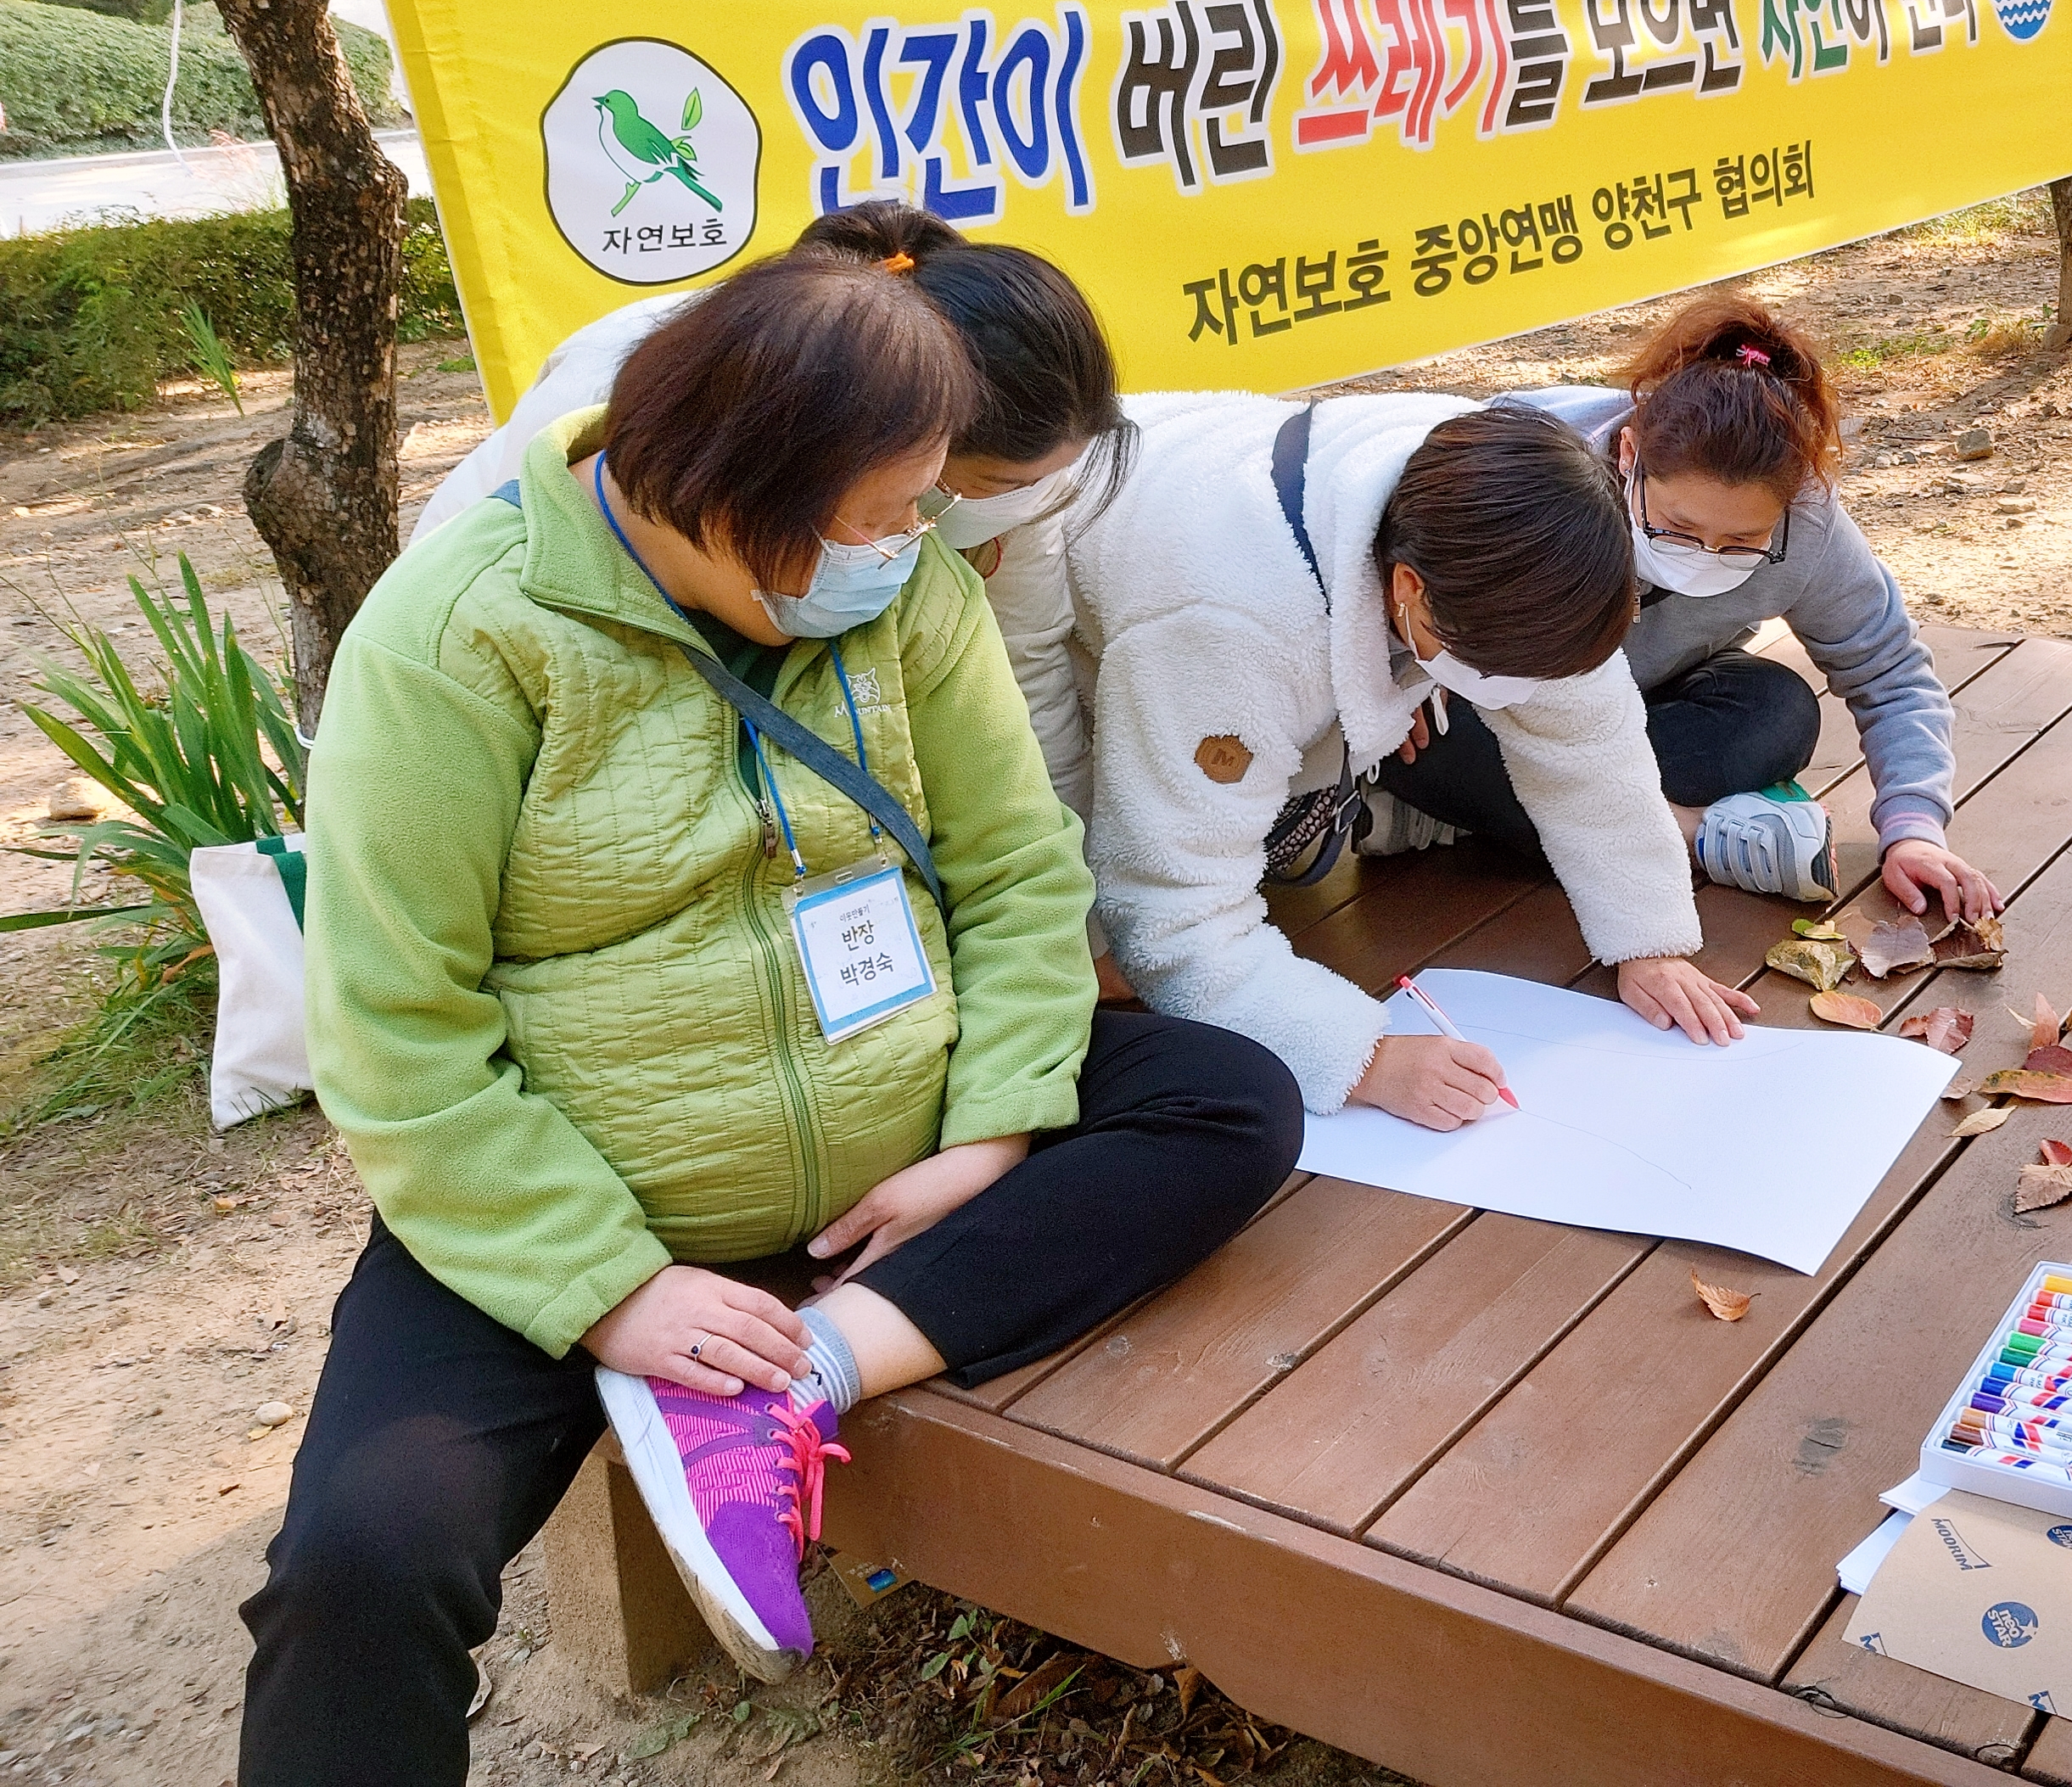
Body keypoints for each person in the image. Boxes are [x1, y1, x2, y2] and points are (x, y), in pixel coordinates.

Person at [243, 249, 1298, 1785]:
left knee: (1228, 1100)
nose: (913, 549)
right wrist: (610, 1289)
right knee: (360, 1557)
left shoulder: (906, 597)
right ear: (722, 487)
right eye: (874, 518)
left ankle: (797, 1378)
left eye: (920, 504)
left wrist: (992, 1128)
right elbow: (395, 1031)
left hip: (884, 1151)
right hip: (592, 1193)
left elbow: (1014, 870)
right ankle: (688, 1365)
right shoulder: (461, 637)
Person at [1067, 391, 1751, 1129]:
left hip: (1201, 576)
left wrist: (1648, 941)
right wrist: (1364, 1057)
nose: (1521, 695)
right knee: (1097, 948)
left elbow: (1589, 746)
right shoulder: (1230, 626)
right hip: (1089, 629)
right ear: (1406, 590)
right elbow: (1172, 907)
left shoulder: (1507, 512)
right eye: (1495, 667)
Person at [418, 202, 1128, 811]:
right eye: (1000, 485)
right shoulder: (645, 412)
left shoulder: (1008, 476)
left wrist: (1082, 924)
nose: (1032, 505)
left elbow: (1024, 679)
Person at [1379, 297, 1996, 922]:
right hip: (1492, 701)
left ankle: (1475, 819)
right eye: (1677, 526)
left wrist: (1915, 828)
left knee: (1779, 713)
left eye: (1741, 544)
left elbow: (1890, 673)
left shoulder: (1810, 527)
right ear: (1628, 455)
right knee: (1409, 738)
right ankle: (1682, 833)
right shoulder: (1534, 468)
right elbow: (1381, 564)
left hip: (1638, 704)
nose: (1704, 554)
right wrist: (1404, 667)